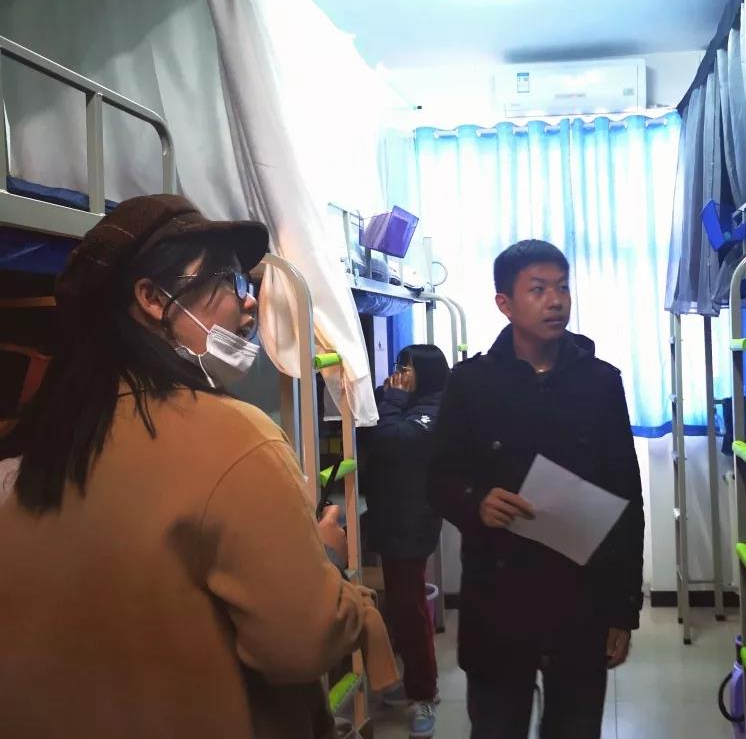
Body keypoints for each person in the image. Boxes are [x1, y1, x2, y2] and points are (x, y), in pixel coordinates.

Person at [0, 194, 397, 739]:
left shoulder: (38, 443)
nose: (250, 301)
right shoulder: (238, 439)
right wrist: (325, 559)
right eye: (229, 281)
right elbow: (301, 647)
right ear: (152, 298)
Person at [430, 239, 645, 739]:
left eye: (562, 288)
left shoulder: (599, 383)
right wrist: (476, 502)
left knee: (575, 726)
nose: (556, 301)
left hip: (581, 597)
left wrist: (623, 609)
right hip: (498, 597)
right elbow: (438, 479)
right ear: (504, 303)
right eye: (539, 289)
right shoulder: (471, 384)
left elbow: (626, 499)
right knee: (497, 726)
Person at [356, 344, 449, 739]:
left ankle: (424, 693)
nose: (399, 374)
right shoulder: (413, 403)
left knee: (410, 610)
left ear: (425, 372)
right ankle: (408, 682)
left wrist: (392, 399)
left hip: (411, 524)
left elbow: (394, 440)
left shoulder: (435, 408)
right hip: (395, 519)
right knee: (398, 605)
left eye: (406, 367)